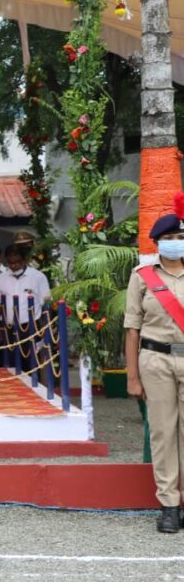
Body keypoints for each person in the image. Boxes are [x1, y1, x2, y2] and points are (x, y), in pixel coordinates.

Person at [125, 206, 184, 533]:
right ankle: (169, 506)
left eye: (180, 237)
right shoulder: (142, 277)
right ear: (157, 243)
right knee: (163, 432)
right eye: (168, 238)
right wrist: (132, 377)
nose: (175, 243)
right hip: (155, 360)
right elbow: (132, 329)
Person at [0, 244, 51, 329]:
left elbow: (46, 303)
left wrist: (45, 327)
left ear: (24, 260)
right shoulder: (1, 278)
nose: (14, 266)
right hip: (7, 326)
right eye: (10, 263)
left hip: (31, 325)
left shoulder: (38, 277)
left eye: (17, 262)